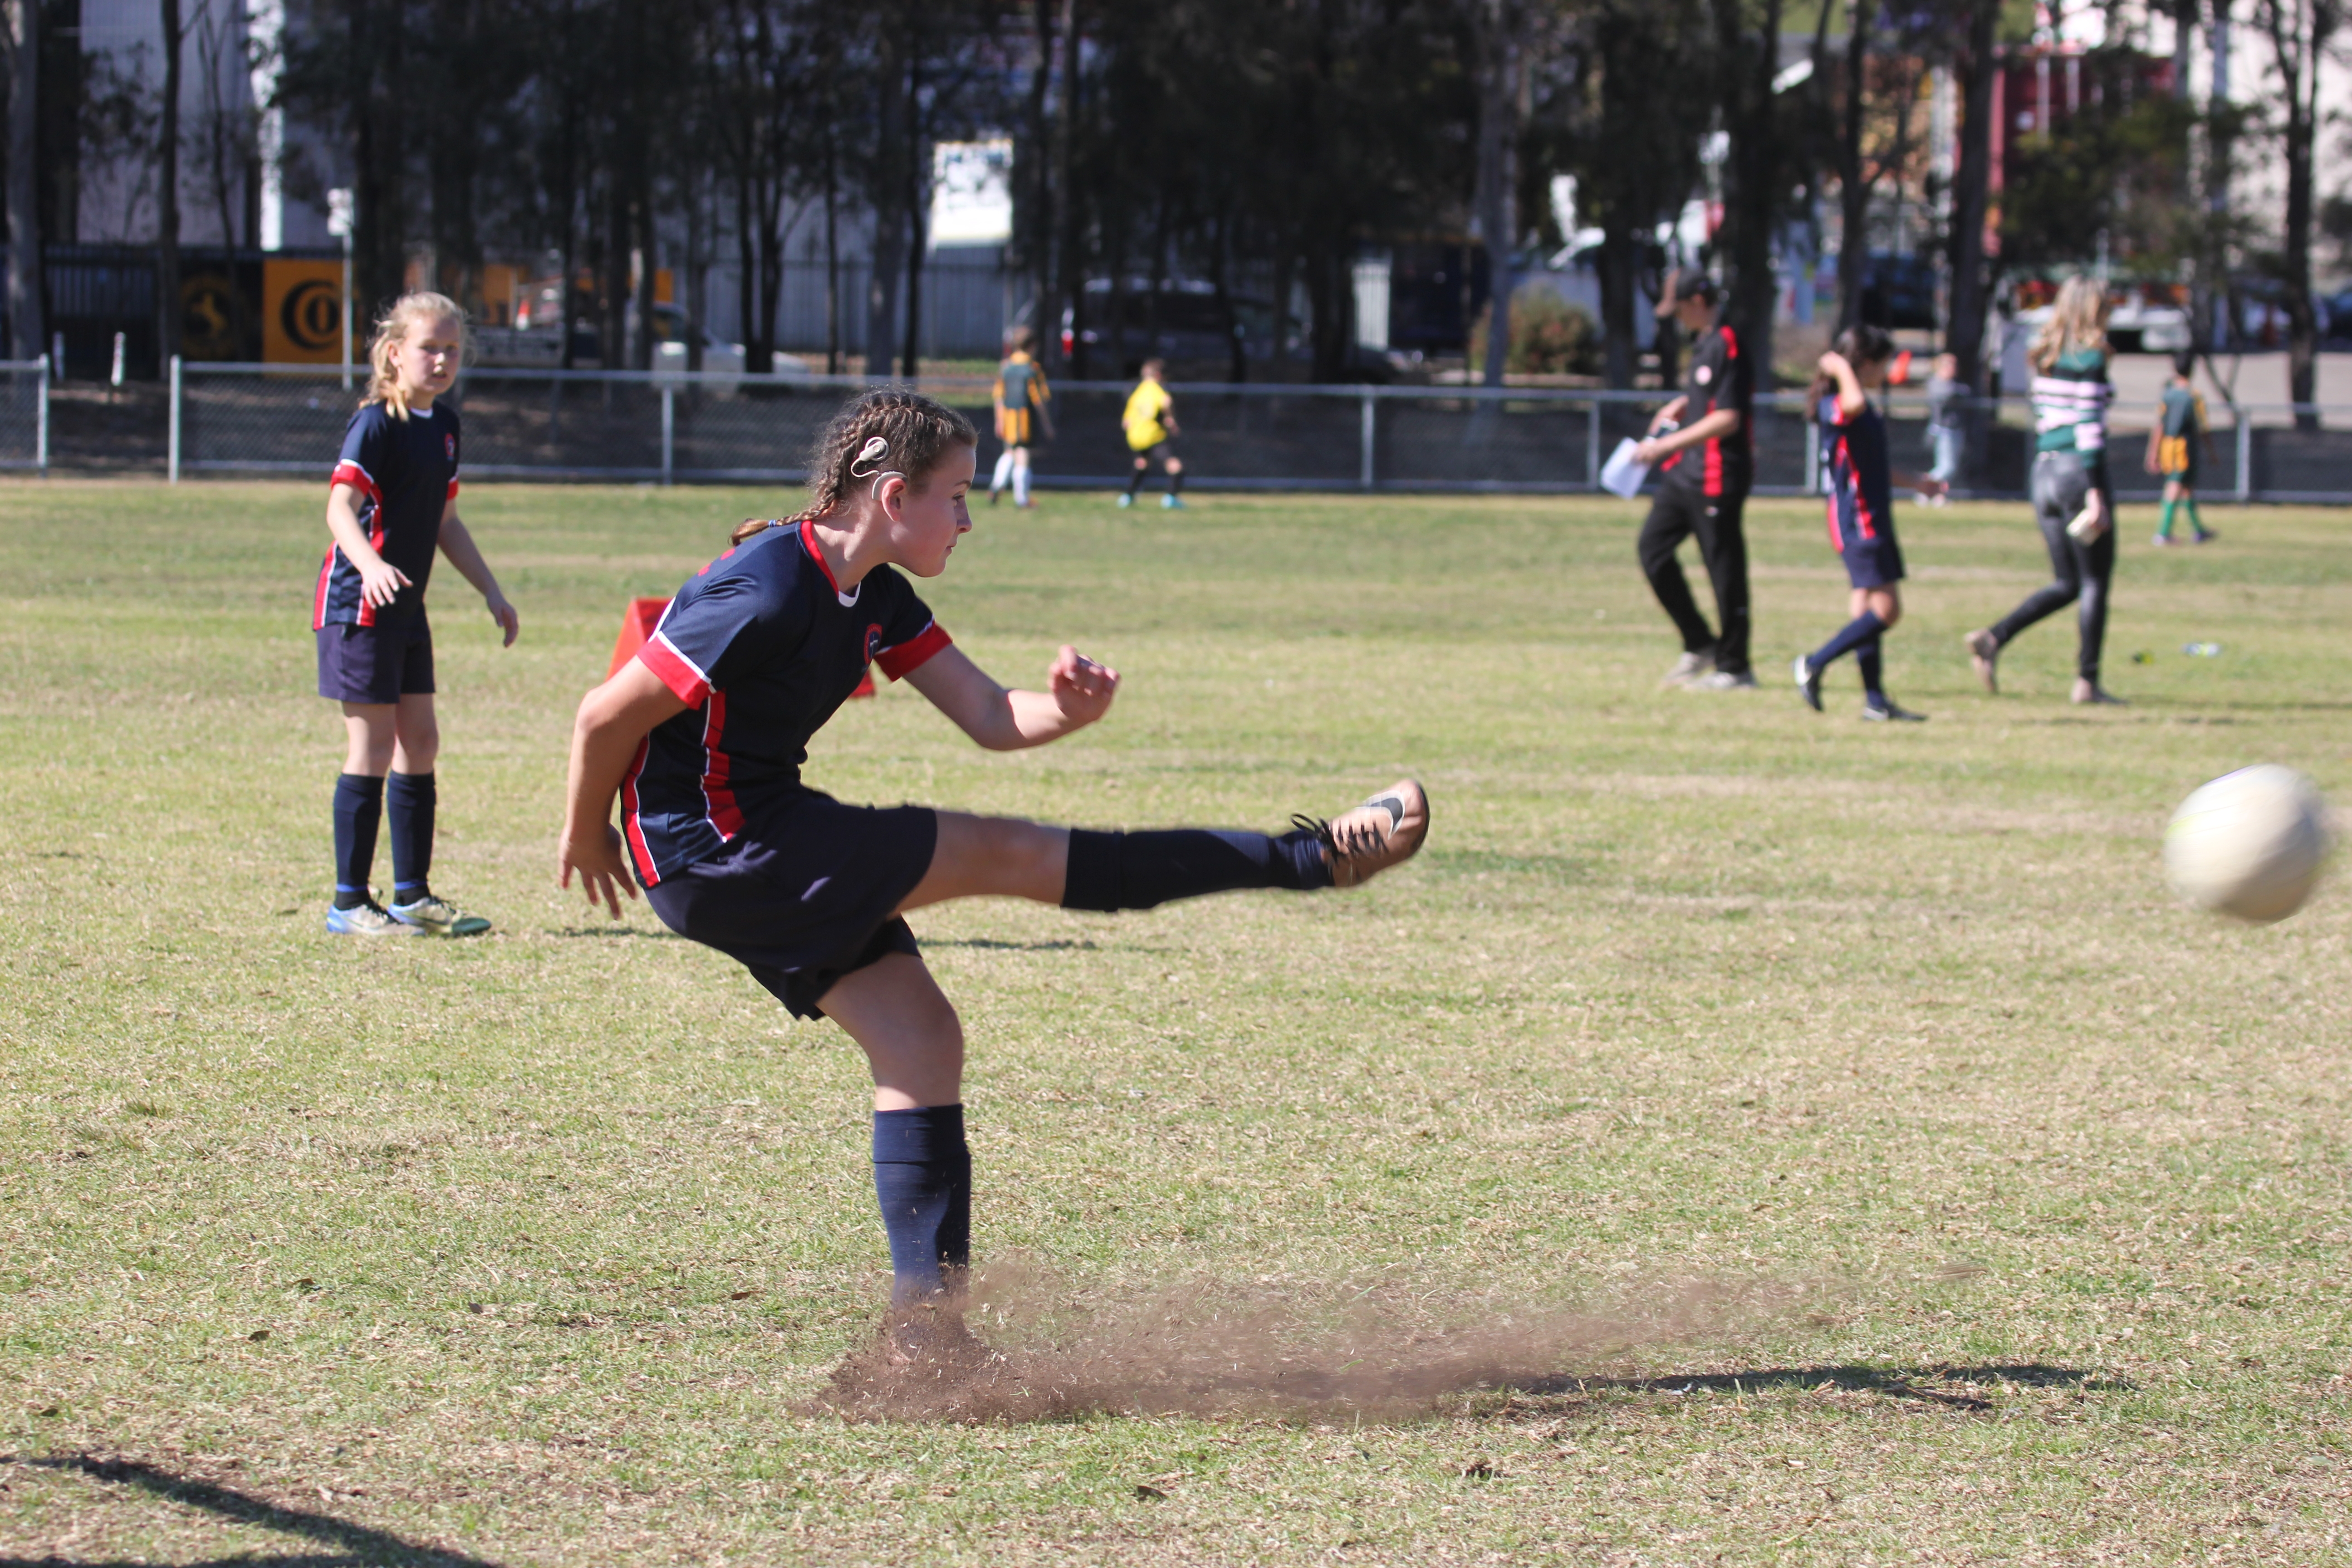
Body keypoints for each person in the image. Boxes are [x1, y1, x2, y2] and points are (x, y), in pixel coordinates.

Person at [557, 389, 1428, 1354]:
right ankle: (1311, 858)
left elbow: (990, 716)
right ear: (893, 496)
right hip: (712, 845)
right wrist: (588, 832)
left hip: (756, 834)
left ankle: (925, 1345)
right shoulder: (766, 586)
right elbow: (606, 714)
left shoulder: (874, 594)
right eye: (958, 497)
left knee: (923, 1040)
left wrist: (1070, 713)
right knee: (1007, 850)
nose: (971, 519)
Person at [315, 292, 518, 936]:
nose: (442, 360)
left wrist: (491, 589)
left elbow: (445, 523)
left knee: (421, 742)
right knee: (372, 747)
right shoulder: (376, 422)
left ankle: (412, 896)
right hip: (360, 605)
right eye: (429, 347)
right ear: (395, 352)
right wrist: (371, 568)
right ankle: (349, 903)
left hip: (406, 609)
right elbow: (339, 508)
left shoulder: (446, 426)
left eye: (452, 349)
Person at [1963, 275, 2124, 706]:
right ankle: (2087, 682)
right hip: (2077, 473)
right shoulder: (2090, 357)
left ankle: (1994, 638)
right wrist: (2095, 493)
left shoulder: (2044, 356)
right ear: (2095, 310)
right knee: (2094, 582)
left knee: (2067, 582)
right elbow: (2088, 427)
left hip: (2044, 474)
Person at [1794, 326, 1945, 722]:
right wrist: (1843, 369)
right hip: (1858, 521)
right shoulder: (1835, 403)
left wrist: (1916, 482)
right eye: (1883, 363)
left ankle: (1875, 702)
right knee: (1888, 610)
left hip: (1872, 515)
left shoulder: (1858, 404)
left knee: (1866, 611)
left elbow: (1871, 465)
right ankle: (1814, 663)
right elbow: (1854, 401)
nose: (1889, 371)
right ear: (1864, 364)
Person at [1633, 270, 1755, 691]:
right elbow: (1713, 401)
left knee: (1723, 570)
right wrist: (1687, 404)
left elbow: (1728, 417)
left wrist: (1665, 445)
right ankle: (1700, 642)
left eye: (1680, 308)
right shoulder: (1704, 344)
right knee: (1652, 550)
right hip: (1687, 473)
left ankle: (1735, 667)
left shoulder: (1726, 342)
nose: (1678, 317)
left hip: (1718, 475)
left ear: (1698, 303)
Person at [2146, 350, 2217, 546]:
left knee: (2187, 488)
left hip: (2168, 446)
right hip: (2184, 448)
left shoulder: (2167, 395)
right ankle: (2162, 533)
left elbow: (2159, 426)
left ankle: (2199, 531)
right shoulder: (2193, 396)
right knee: (2175, 486)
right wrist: (2211, 452)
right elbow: (2203, 428)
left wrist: (2153, 453)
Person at [986, 326, 1054, 509]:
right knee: (1023, 454)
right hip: (1024, 419)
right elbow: (1039, 400)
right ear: (1033, 346)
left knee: (1010, 451)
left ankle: (996, 486)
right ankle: (1022, 499)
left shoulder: (1006, 367)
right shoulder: (1033, 369)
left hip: (1008, 417)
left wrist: (998, 421)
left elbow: (999, 396)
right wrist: (1047, 424)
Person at [1119, 358, 1185, 510]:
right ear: (1159, 375)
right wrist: (1171, 420)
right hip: (1154, 435)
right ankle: (1171, 498)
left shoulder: (1138, 391)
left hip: (1136, 437)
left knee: (1142, 464)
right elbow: (1166, 402)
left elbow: (1126, 422)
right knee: (1175, 466)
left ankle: (1128, 497)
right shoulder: (1156, 389)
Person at [1923, 351, 1965, 501]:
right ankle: (1923, 489)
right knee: (1946, 467)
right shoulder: (1936, 383)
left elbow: (1964, 392)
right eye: (1951, 365)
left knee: (1950, 466)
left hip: (1954, 430)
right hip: (1942, 430)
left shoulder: (1953, 385)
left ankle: (1938, 495)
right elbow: (1947, 395)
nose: (1954, 368)